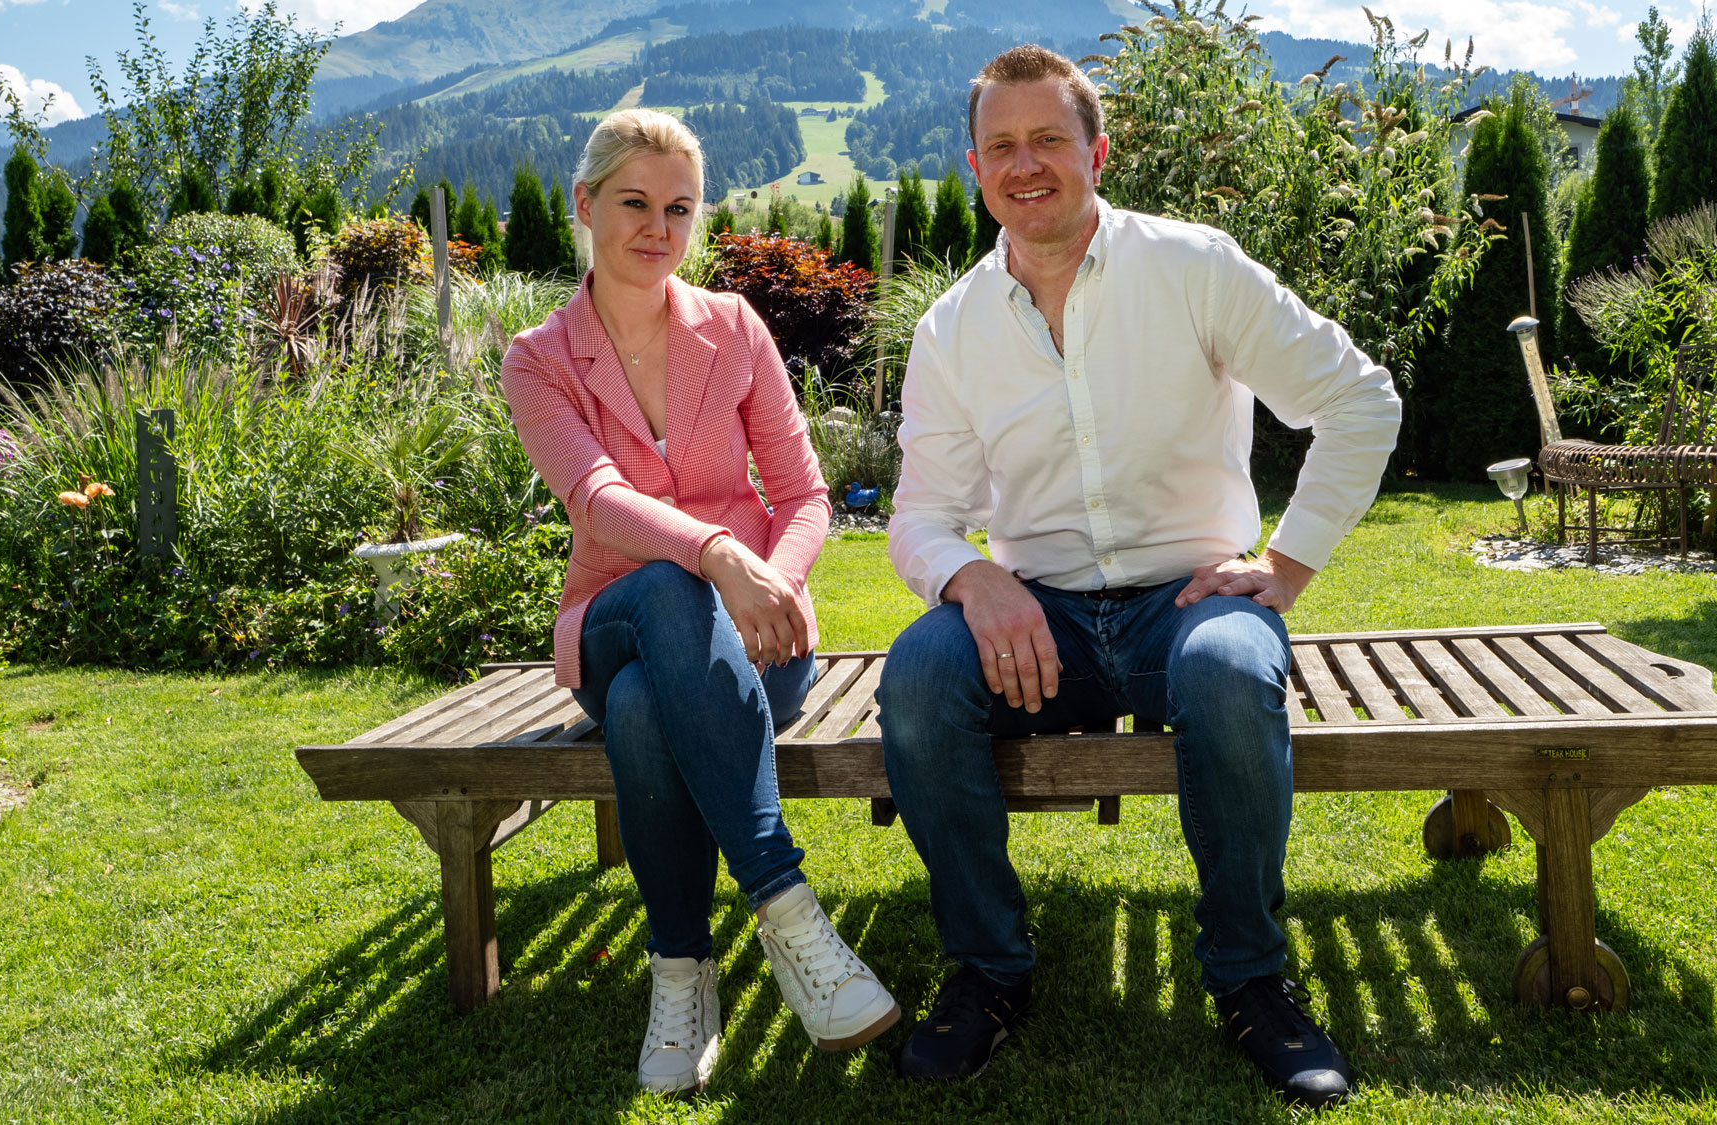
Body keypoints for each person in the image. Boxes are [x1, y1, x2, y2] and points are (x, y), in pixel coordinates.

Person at [876, 47, 1399, 1107]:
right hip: (1043, 627)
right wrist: (970, 582)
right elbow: (922, 517)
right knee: (920, 676)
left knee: (1225, 670)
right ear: (975, 168)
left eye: (1047, 141)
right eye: (1000, 147)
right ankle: (987, 971)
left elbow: (1360, 401)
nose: (1025, 166)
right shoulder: (951, 330)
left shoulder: (1191, 267)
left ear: (1096, 153)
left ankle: (1251, 978)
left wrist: (1285, 570)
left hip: (1190, 603)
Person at [500, 109, 899, 1095]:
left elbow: (805, 497)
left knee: (642, 712)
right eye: (633, 203)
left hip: (757, 630)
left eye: (677, 208)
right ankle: (789, 910)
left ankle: (680, 975)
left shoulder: (733, 329)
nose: (656, 228)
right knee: (670, 586)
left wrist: (778, 576)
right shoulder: (539, 357)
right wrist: (720, 550)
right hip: (613, 618)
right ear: (585, 204)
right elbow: (597, 499)